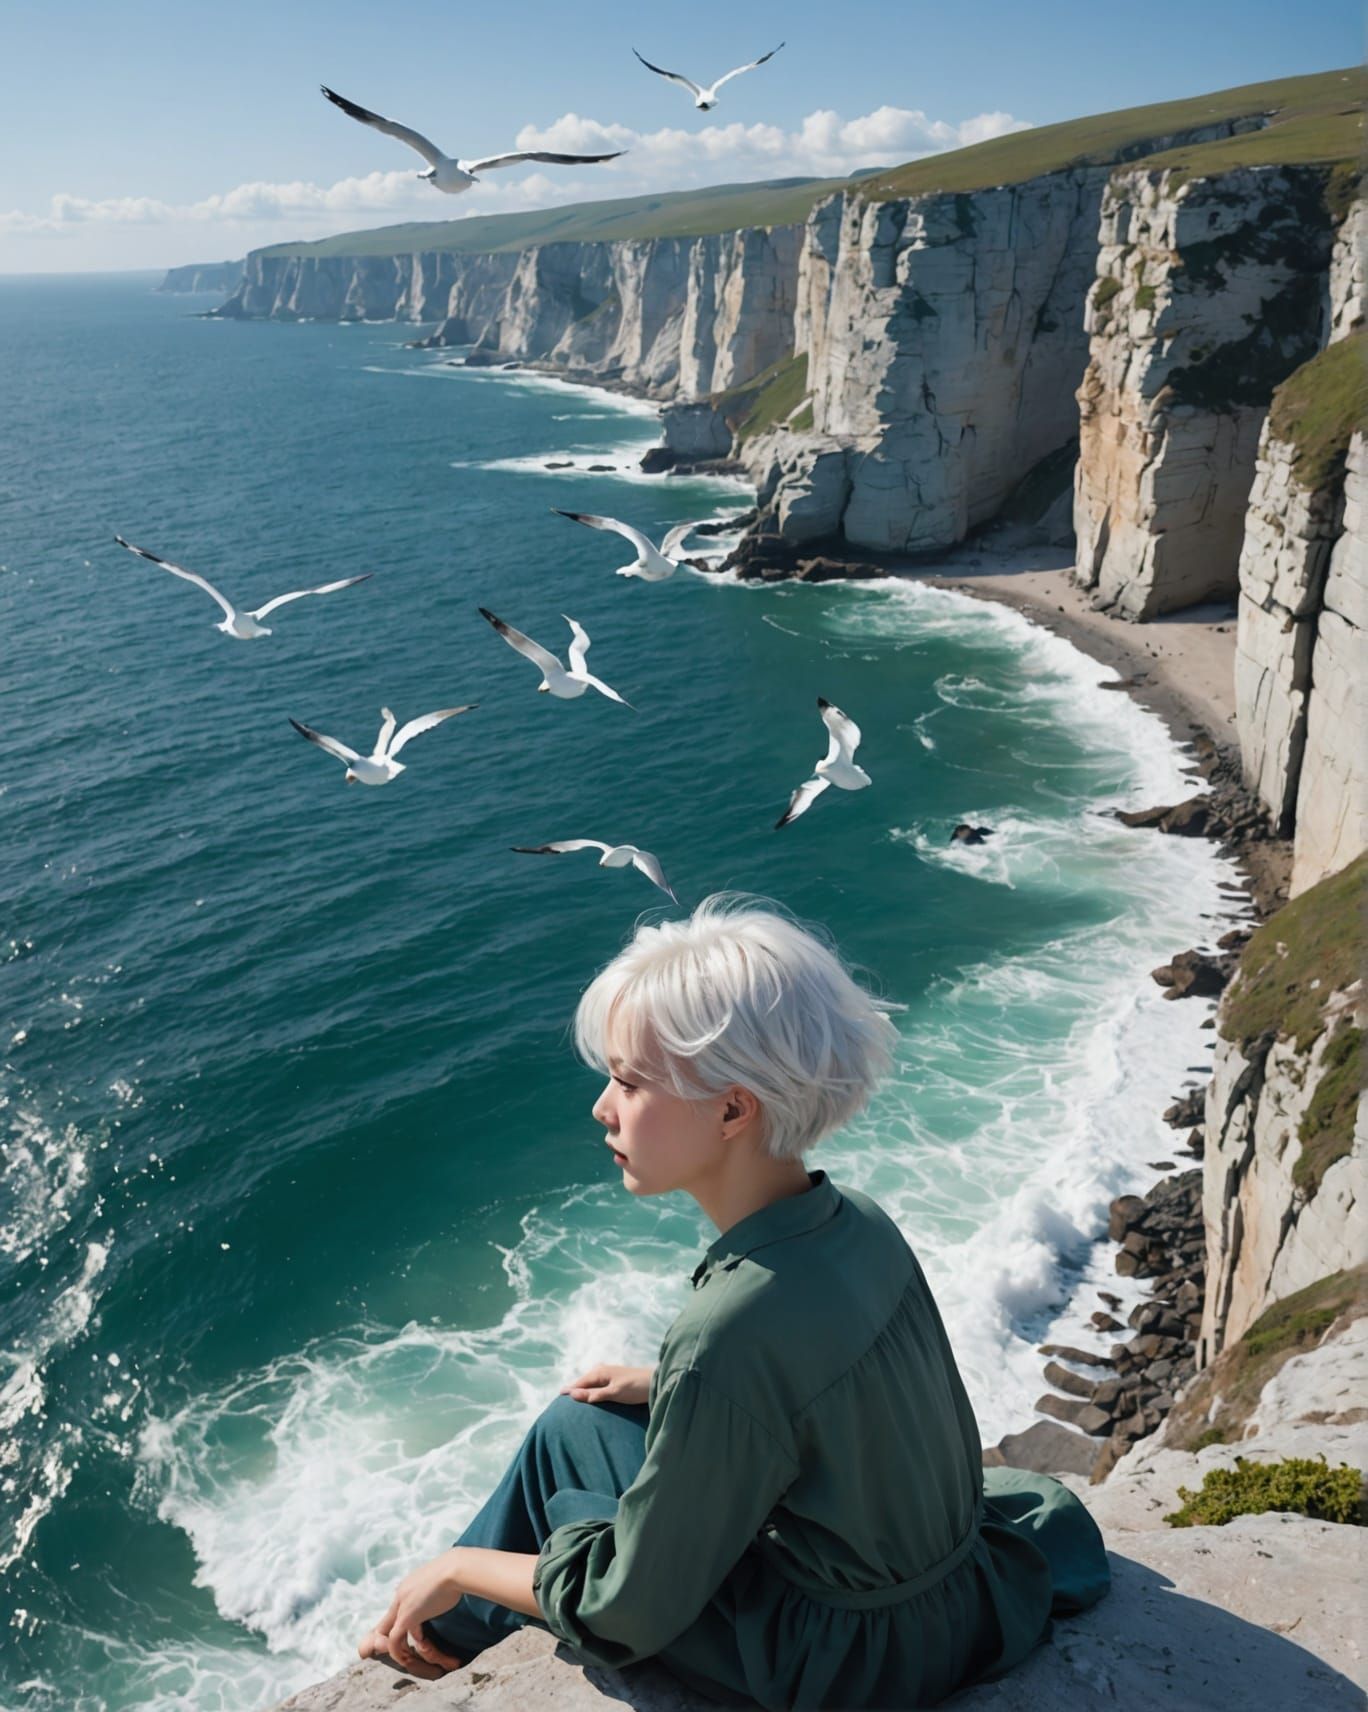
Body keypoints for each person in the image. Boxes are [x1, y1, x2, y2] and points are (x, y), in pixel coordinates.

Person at [358, 895, 1109, 1708]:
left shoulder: (730, 1332)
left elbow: (625, 1610)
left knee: (561, 1468)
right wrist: (672, 1389)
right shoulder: (856, 1220)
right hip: (958, 1594)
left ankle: (424, 1639)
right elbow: (837, 1384)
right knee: (576, 1422)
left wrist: (455, 1565)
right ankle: (434, 1639)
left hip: (852, 1659)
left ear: (731, 1108)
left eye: (628, 1081)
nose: (601, 1108)